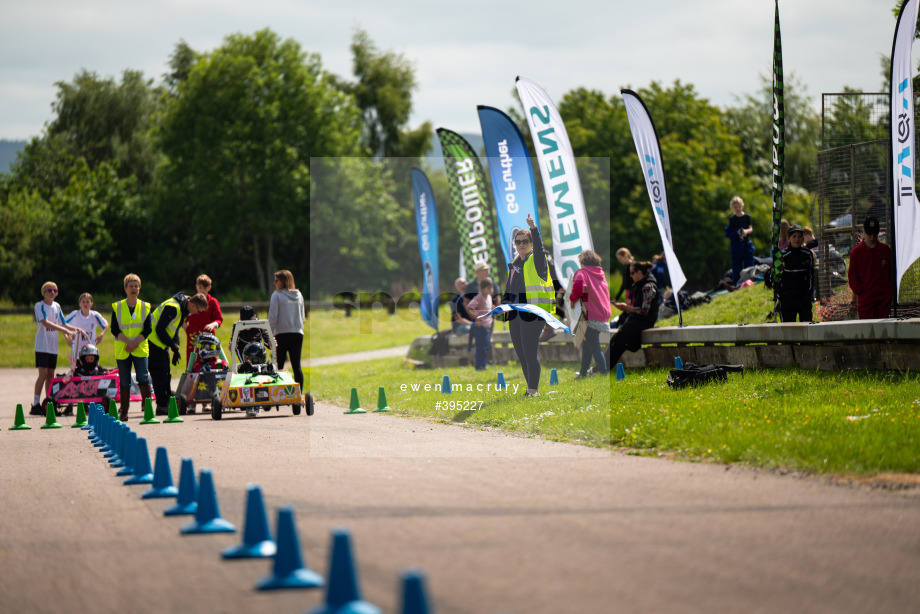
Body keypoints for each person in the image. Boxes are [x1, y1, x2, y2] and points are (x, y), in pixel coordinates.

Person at [502, 214, 555, 397]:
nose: (522, 244)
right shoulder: (514, 265)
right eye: (518, 241)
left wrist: (534, 229)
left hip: (533, 312)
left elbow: (540, 249)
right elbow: (509, 288)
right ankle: (529, 388)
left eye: (525, 241)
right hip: (515, 313)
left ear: (531, 243)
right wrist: (504, 308)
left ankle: (533, 391)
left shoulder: (537, 259)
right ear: (515, 244)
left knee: (530, 352)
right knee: (522, 354)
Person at [148, 292, 207, 415]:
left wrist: (176, 345)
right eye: (199, 311)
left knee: (166, 374)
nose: (198, 314)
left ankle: (166, 402)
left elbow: (174, 329)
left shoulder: (183, 309)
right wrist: (172, 345)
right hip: (152, 341)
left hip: (161, 344)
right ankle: (162, 406)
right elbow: (160, 329)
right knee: (159, 375)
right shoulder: (173, 307)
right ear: (194, 305)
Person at [110, 274, 153, 421]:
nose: (134, 289)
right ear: (125, 289)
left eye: (136, 286)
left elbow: (148, 329)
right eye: (131, 286)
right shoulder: (117, 307)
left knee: (143, 378)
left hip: (140, 348)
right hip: (123, 349)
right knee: (124, 381)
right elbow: (114, 329)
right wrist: (129, 342)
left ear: (139, 289)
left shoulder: (145, 306)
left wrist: (135, 343)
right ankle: (124, 411)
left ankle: (148, 411)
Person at [32, 282, 79, 415]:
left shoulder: (57, 306)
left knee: (50, 375)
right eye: (49, 290)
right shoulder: (39, 305)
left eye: (55, 290)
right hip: (42, 345)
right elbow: (46, 322)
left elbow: (63, 323)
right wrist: (64, 330)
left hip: (53, 346)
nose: (52, 292)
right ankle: (35, 403)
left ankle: (49, 401)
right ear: (44, 292)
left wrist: (75, 329)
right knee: (42, 374)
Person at [606, 261, 659, 371]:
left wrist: (626, 307)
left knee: (618, 342)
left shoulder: (648, 286)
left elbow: (644, 311)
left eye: (632, 273)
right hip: (636, 320)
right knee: (615, 341)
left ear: (639, 272)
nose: (630, 276)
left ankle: (601, 370)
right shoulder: (640, 284)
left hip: (643, 321)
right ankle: (600, 369)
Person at [570, 250, 611, 378]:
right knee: (587, 345)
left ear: (583, 262)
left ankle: (604, 373)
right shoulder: (600, 274)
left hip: (589, 315)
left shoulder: (582, 273)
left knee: (594, 346)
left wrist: (572, 300)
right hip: (602, 314)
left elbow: (578, 288)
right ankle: (583, 373)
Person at [848, 217, 892, 319]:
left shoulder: (885, 250)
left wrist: (889, 292)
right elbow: (852, 276)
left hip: (883, 300)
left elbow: (891, 272)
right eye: (869, 234)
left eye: (874, 234)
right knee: (868, 332)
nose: (872, 237)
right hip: (866, 301)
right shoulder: (856, 253)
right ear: (864, 232)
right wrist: (861, 292)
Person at [269, 269, 305, 395]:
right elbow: (303, 316)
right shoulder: (299, 295)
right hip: (297, 333)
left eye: (276, 280)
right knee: (297, 366)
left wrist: (270, 334)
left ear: (282, 281)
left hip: (282, 334)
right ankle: (298, 395)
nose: (274, 283)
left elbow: (272, 317)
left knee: (278, 366)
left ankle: (277, 394)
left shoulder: (277, 295)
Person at [777, 224, 815, 322]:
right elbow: (777, 278)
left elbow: (811, 276)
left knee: (807, 329)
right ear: (789, 238)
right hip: (788, 299)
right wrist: (781, 295)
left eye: (799, 236)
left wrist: (808, 295)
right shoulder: (782, 256)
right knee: (788, 332)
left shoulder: (807, 254)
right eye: (794, 236)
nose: (797, 239)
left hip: (804, 298)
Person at [184, 274, 223, 365]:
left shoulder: (213, 302)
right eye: (200, 288)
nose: (202, 291)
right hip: (193, 340)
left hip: (208, 339)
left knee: (208, 364)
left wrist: (213, 324)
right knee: (191, 365)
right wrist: (187, 330)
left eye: (205, 288)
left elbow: (219, 319)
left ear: (209, 288)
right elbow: (183, 319)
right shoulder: (191, 302)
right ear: (196, 287)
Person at [724, 196, 755, 286]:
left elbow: (751, 228)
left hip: (746, 243)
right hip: (736, 244)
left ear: (742, 206)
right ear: (732, 208)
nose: (737, 209)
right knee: (736, 264)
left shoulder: (746, 217)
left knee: (749, 261)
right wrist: (737, 232)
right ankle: (737, 282)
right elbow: (729, 232)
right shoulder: (732, 219)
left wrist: (745, 231)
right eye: (735, 207)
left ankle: (750, 279)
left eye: (739, 206)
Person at [466, 279, 494, 371]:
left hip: (487, 326)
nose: (491, 289)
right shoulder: (478, 297)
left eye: (491, 287)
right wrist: (476, 318)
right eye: (488, 288)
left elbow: (489, 307)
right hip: (480, 326)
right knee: (480, 347)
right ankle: (479, 366)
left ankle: (483, 365)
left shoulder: (489, 297)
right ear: (482, 289)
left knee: (485, 347)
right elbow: (469, 307)